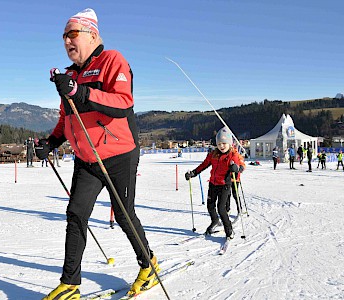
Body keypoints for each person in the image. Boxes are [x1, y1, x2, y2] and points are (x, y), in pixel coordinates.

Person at [35, 8, 157, 300]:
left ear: (92, 34)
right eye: (64, 36)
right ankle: (70, 284)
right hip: (87, 159)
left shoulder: (112, 60)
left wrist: (82, 92)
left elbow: (123, 103)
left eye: (72, 34)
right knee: (76, 214)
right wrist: (51, 142)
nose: (67, 41)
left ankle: (148, 265)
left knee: (125, 216)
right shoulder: (70, 75)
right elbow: (68, 116)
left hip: (118, 153)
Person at [185, 127, 240, 239]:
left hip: (224, 185)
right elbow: (204, 165)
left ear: (229, 144)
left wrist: (235, 168)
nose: (222, 146)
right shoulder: (213, 154)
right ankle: (215, 221)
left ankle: (229, 230)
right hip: (213, 184)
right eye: (219, 144)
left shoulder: (232, 155)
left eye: (224, 143)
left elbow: (237, 165)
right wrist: (193, 173)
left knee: (221, 208)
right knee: (210, 206)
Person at [226, 147, 245, 215]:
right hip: (227, 178)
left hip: (235, 178)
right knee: (227, 194)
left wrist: (241, 167)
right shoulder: (225, 154)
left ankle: (240, 209)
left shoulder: (237, 155)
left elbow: (242, 163)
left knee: (235, 194)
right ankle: (227, 210)